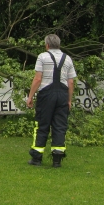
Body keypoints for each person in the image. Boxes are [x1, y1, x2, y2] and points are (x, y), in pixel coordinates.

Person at [26, 34, 76, 168]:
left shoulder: (42, 57)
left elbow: (37, 79)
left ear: (47, 45)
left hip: (46, 95)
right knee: (60, 125)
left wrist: (30, 96)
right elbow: (71, 82)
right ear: (59, 45)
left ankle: (37, 157)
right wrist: (69, 100)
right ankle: (57, 159)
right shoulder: (68, 59)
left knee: (42, 124)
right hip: (62, 94)